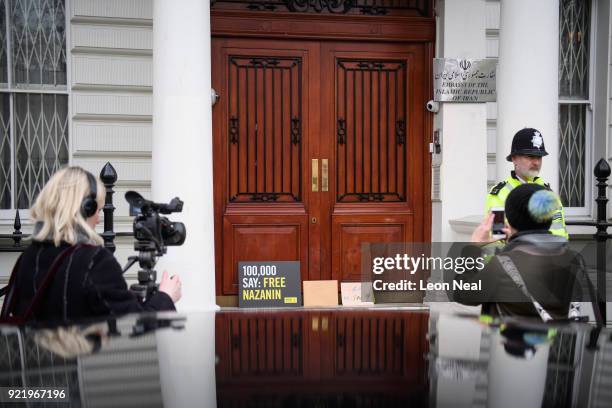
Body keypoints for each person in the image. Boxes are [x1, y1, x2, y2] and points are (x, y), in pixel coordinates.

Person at [1, 167, 181, 323]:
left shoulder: (29, 257)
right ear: (85, 208)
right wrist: (166, 297)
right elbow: (134, 324)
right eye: (98, 209)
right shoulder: (95, 261)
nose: (99, 217)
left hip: (37, 362)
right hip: (78, 362)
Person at [454, 183, 582, 320]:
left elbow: (463, 293)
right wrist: (514, 243)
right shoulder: (574, 258)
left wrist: (472, 248)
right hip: (561, 339)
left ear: (511, 217)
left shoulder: (501, 264)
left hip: (516, 340)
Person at [485, 128, 568, 239]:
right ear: (514, 159)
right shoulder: (499, 194)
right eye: (530, 156)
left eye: (539, 157)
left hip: (551, 254)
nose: (536, 162)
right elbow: (496, 238)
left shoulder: (548, 193)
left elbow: (560, 233)